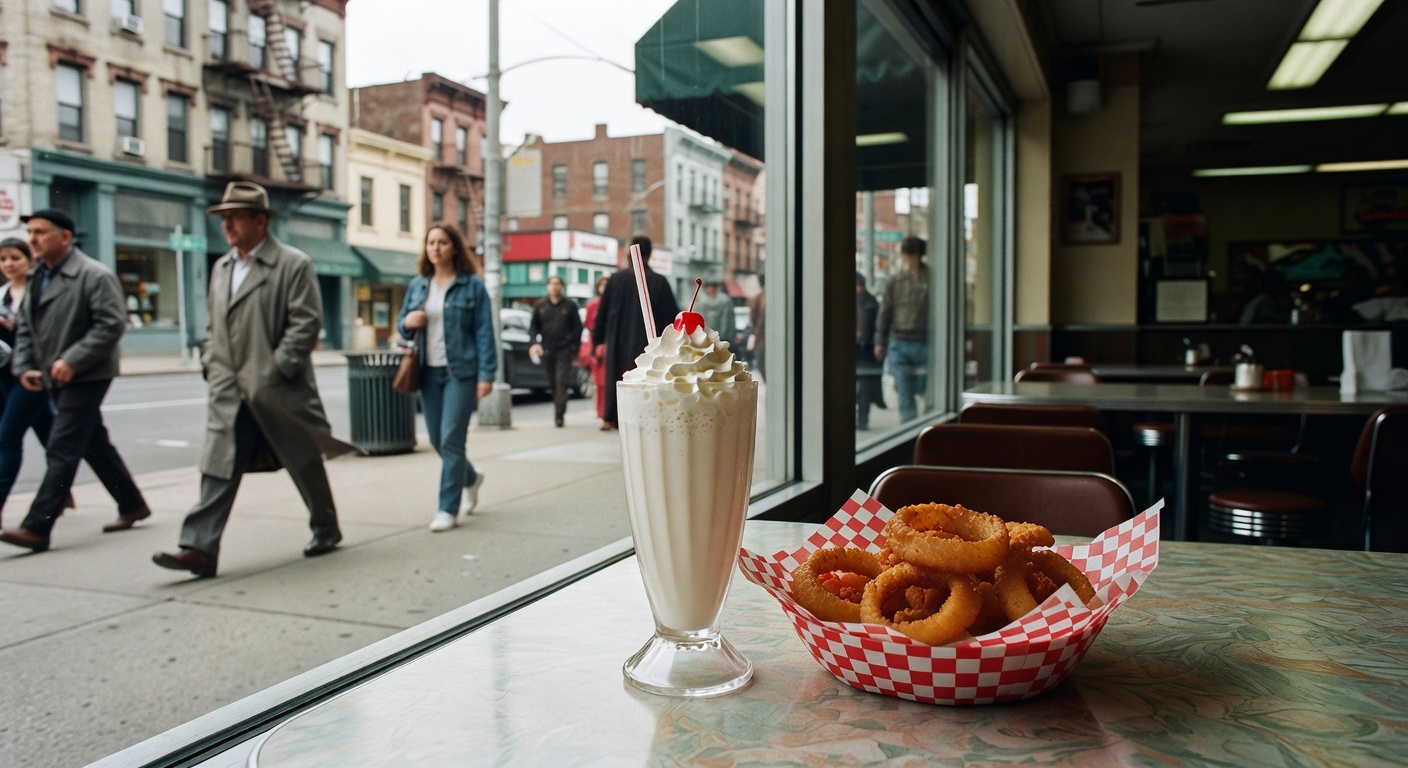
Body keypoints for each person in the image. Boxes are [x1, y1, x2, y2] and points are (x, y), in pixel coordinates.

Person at [152, 183, 357, 576]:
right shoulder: (222, 267)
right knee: (218, 462)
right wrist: (212, 364)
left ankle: (326, 528)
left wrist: (276, 369)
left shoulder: (292, 264)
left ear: (260, 220)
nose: (226, 224)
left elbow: (306, 322)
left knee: (303, 460)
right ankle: (200, 548)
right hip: (229, 388)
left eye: (234, 216)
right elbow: (216, 324)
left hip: (276, 389)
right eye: (223, 218)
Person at [0, 209, 150, 552]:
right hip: (51, 374)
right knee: (93, 441)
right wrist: (24, 367)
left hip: (88, 374)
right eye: (30, 232)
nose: (33, 239)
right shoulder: (39, 275)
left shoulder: (93, 275)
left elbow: (111, 325)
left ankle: (37, 527)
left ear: (65, 237)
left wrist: (73, 359)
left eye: (41, 232)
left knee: (62, 445)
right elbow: (24, 328)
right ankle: (132, 503)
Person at [395, 222, 495, 533]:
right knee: (439, 440)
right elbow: (402, 324)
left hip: (461, 372)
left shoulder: (472, 286)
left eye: (442, 242)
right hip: (427, 371)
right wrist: (408, 321)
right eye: (430, 243)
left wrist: (486, 374)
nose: (435, 248)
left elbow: (483, 332)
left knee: (452, 438)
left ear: (453, 247)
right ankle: (471, 478)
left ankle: (447, 508)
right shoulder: (418, 286)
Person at [0, 238, 78, 523]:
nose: (8, 264)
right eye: (3, 259)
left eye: (15, 258)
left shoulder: (38, 290)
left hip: (31, 375)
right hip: (4, 376)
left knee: (7, 438)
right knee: (48, 433)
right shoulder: (2, 294)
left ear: (28, 261)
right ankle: (61, 490)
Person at [592, 236, 679, 430]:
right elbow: (670, 318)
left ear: (628, 254)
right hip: (647, 342)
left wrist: (597, 341)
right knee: (644, 378)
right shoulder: (659, 282)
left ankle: (610, 416)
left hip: (616, 340)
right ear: (649, 255)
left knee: (616, 377)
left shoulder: (615, 280)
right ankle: (642, 416)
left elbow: (602, 313)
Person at [874, 236, 929, 423]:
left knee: (926, 390)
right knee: (905, 394)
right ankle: (910, 432)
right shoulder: (895, 281)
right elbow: (885, 312)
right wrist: (880, 341)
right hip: (900, 341)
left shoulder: (931, 279)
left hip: (925, 341)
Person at [528, 275, 583, 428]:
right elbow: (533, 327)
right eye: (552, 284)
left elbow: (577, 327)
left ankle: (559, 414)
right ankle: (559, 405)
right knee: (552, 383)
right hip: (547, 349)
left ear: (562, 287)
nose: (555, 287)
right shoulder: (540, 306)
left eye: (558, 284)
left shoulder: (570, 305)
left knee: (561, 381)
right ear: (547, 286)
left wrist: (575, 347)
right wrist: (534, 343)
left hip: (564, 349)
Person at [855, 272, 885, 430]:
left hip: (866, 352)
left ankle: (863, 420)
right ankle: (860, 420)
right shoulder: (870, 301)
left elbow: (878, 326)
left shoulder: (870, 302)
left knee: (864, 391)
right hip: (858, 352)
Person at [583, 275, 609, 422]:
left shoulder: (614, 304)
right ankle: (600, 411)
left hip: (610, 344)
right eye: (602, 285)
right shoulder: (592, 305)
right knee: (598, 381)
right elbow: (588, 324)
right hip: (596, 344)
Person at [697, 281, 735, 346]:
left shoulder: (725, 301)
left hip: (722, 337)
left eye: (712, 287)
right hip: (706, 337)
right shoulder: (701, 302)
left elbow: (727, 320)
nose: (710, 290)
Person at [747, 275, 766, 380]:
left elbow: (754, 321)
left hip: (762, 337)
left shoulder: (759, 298)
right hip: (762, 337)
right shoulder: (758, 298)